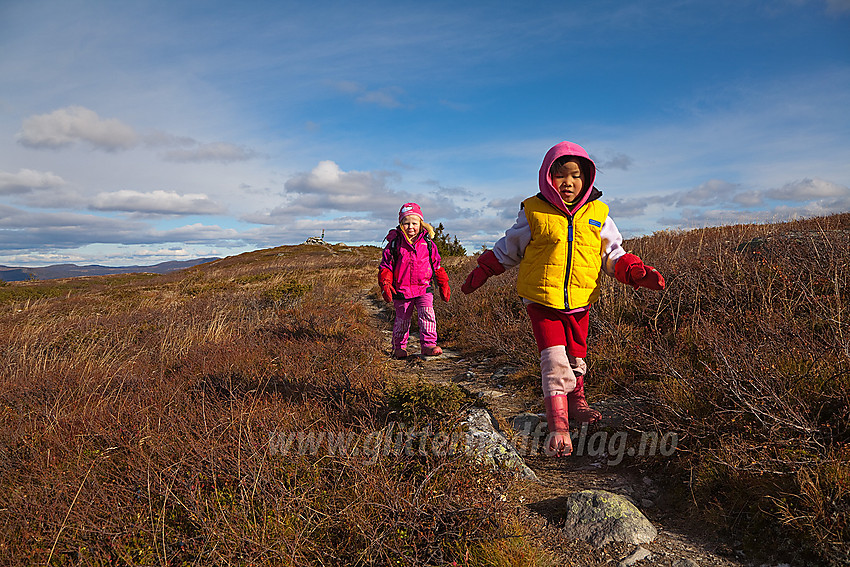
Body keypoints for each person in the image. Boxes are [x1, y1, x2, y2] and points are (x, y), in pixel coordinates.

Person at [461, 141, 665, 456]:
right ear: (547, 176)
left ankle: (577, 402)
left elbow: (611, 254)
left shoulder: (599, 213)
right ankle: (559, 427)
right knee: (554, 362)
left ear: (588, 179)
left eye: (576, 175)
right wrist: (485, 269)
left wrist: (634, 271)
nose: (568, 182)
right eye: (560, 175)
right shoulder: (534, 210)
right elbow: (509, 247)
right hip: (541, 299)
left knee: (576, 356)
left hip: (581, 298)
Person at [379, 203, 451, 359]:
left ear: (421, 223)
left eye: (414, 223)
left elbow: (436, 265)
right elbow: (386, 266)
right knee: (402, 320)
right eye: (406, 223)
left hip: (424, 288)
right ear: (401, 224)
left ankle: (429, 345)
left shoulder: (429, 244)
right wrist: (385, 282)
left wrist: (443, 282)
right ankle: (399, 347)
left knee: (427, 315)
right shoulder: (394, 244)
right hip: (402, 290)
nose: (410, 226)